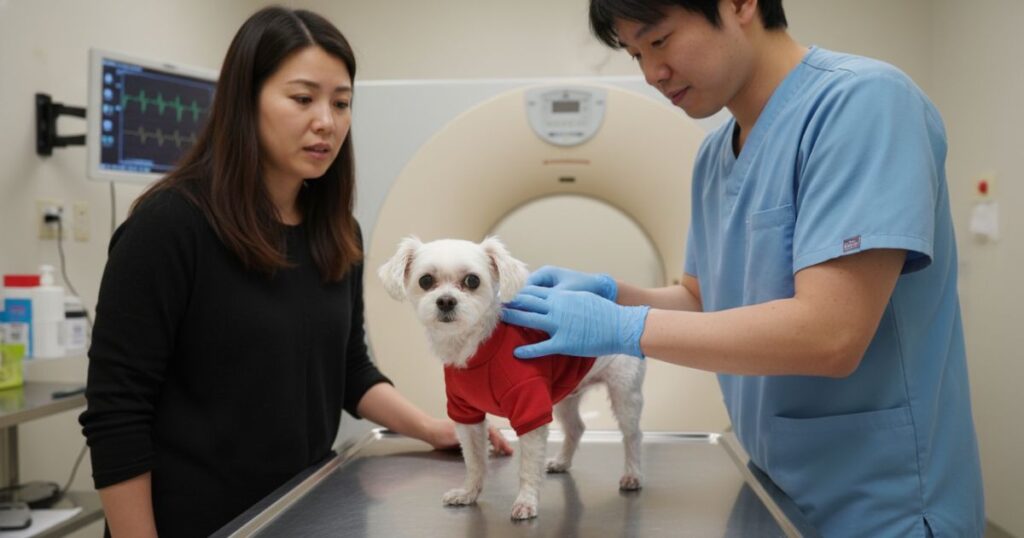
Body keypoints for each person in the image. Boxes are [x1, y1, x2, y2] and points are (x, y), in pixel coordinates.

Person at [501, 1, 984, 536]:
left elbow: (832, 334)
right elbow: (705, 300)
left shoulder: (864, 104)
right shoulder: (714, 155)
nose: (651, 74)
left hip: (879, 503)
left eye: (659, 41)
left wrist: (624, 329)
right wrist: (612, 295)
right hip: (770, 484)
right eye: (635, 54)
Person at [78, 7, 511, 537]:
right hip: (197, 522)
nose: (326, 121)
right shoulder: (169, 226)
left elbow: (348, 368)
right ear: (246, 101)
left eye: (341, 102)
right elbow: (116, 408)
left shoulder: (336, 232)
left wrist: (434, 428)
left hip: (303, 509)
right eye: (303, 99)